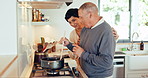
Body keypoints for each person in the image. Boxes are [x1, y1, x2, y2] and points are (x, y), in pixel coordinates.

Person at [60, 2, 116, 78]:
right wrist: (68, 44)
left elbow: (106, 62)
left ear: (90, 15)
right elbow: (80, 49)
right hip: (85, 73)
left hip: (99, 76)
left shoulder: (106, 31)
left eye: (81, 17)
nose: (80, 20)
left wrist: (83, 54)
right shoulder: (86, 28)